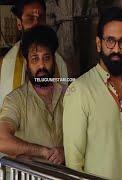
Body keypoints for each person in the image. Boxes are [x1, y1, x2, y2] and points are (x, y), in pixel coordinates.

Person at [63, 7, 122, 179]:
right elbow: (74, 164)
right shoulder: (79, 91)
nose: (116, 49)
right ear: (99, 44)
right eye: (110, 41)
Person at [0, 25, 65, 164]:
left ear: (54, 60)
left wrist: (66, 151)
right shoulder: (15, 100)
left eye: (46, 58)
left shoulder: (70, 94)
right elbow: (2, 139)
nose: (41, 65)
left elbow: (90, 136)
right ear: (26, 63)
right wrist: (43, 152)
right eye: (35, 59)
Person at [0, 0, 68, 108]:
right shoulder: (6, 64)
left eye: (40, 18)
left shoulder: (59, 63)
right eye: (30, 19)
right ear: (19, 23)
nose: (36, 24)